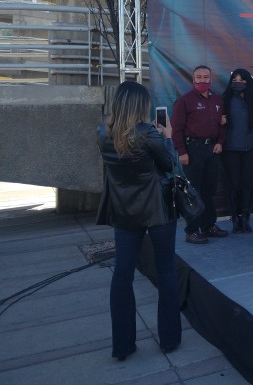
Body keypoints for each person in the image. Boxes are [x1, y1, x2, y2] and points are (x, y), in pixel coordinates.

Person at [97, 81, 181, 360]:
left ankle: (122, 345)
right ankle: (169, 339)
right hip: (158, 210)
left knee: (123, 275)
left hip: (124, 213)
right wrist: (168, 136)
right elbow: (171, 165)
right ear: (140, 105)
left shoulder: (102, 133)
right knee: (166, 272)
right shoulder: (148, 134)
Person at [172, 65, 228, 244]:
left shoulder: (218, 100)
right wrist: (182, 151)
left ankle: (209, 226)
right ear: (193, 79)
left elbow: (221, 125)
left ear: (210, 79)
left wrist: (220, 142)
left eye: (206, 77)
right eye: (199, 77)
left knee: (209, 191)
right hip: (192, 151)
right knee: (193, 193)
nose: (203, 80)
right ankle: (192, 230)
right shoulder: (184, 101)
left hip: (212, 150)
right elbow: (176, 129)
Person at [221, 68, 253, 234]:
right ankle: (235, 218)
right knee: (233, 184)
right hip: (230, 148)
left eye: (242, 79)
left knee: (248, 183)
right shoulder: (225, 99)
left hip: (251, 148)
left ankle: (245, 217)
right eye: (235, 79)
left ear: (248, 82)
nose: (238, 82)